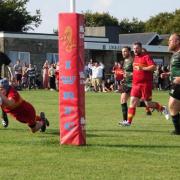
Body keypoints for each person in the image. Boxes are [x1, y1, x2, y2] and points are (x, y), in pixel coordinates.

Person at [121, 42, 169, 126]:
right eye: (134, 48)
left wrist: (142, 68)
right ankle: (128, 122)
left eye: (137, 48)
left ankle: (162, 108)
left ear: (140, 48)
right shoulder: (135, 58)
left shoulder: (146, 57)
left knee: (148, 104)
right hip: (135, 84)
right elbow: (135, 70)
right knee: (132, 101)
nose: (135, 50)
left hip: (145, 84)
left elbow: (153, 67)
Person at [162, 33, 180, 134]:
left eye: (170, 41)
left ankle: (178, 130)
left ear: (177, 42)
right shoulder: (175, 54)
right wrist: (168, 74)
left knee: (172, 105)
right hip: (176, 84)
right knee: (174, 106)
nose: (168, 43)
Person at [0, 51, 14, 128]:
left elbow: (10, 65)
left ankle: (4, 114)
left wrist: (12, 75)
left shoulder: (1, 55)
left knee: (2, 100)